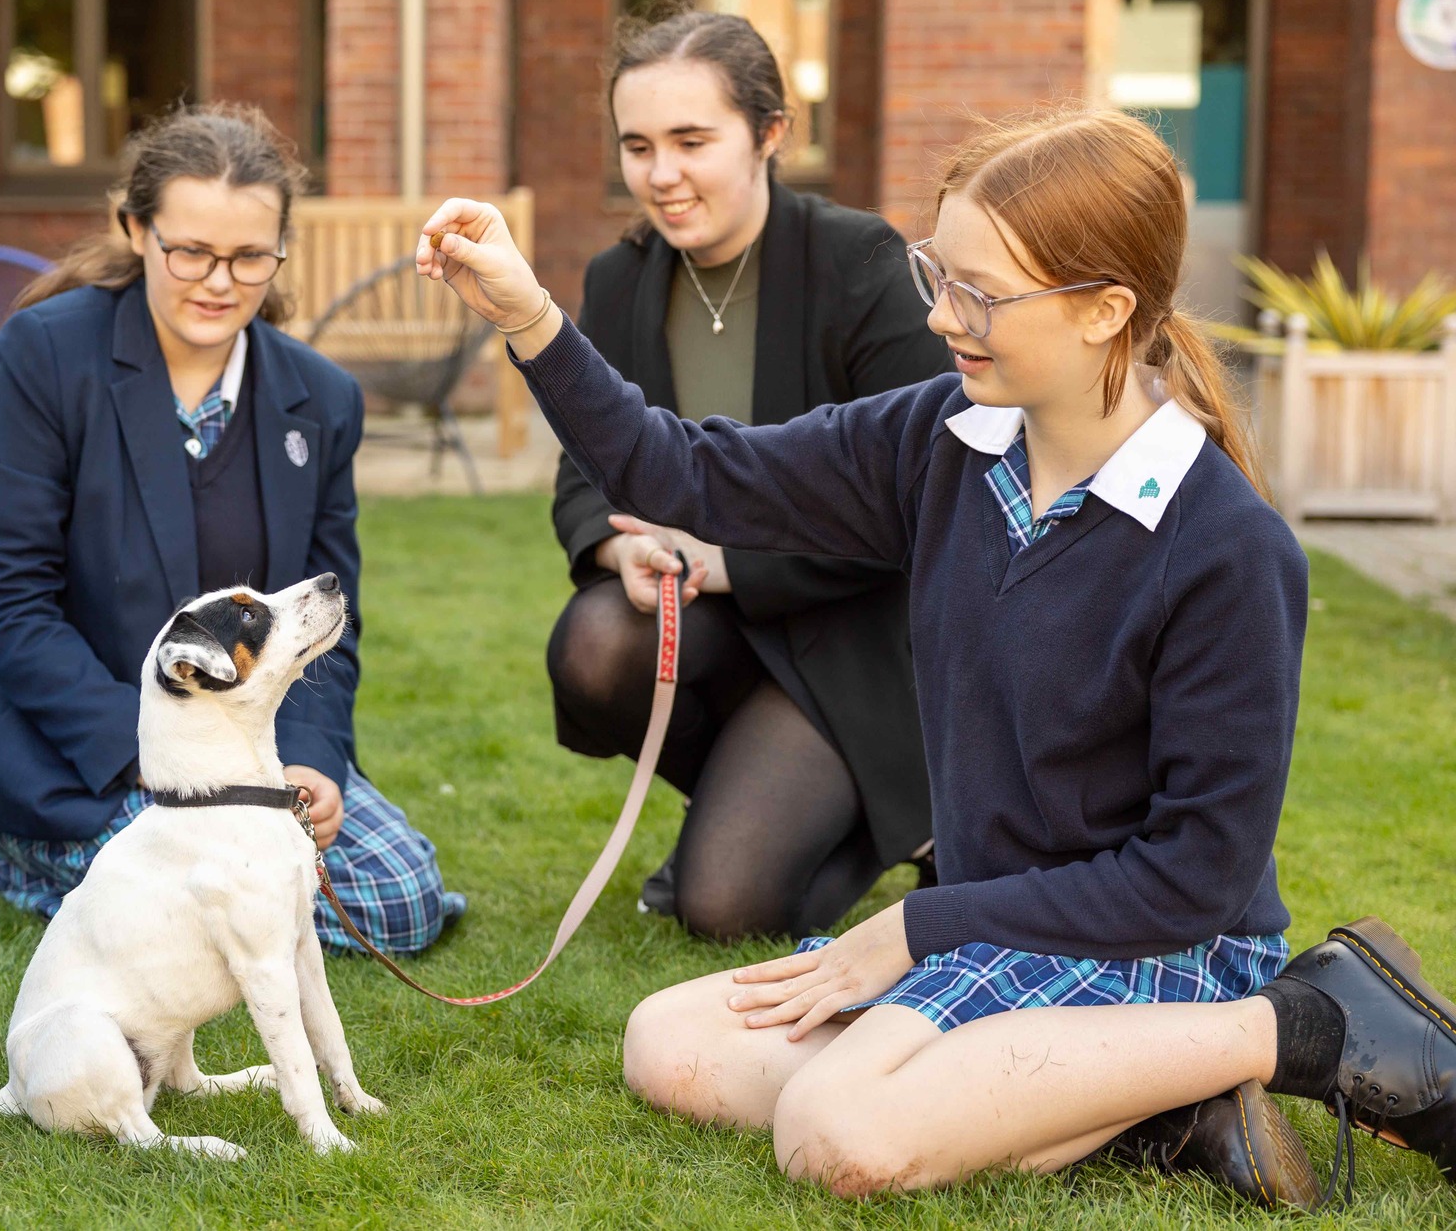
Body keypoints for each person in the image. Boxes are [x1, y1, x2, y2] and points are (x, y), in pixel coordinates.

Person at [416, 107, 1456, 1205]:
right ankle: (1153, 1108)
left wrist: (909, 931)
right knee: (666, 1043)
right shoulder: (938, 440)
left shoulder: (1226, 550)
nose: (941, 317)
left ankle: (1292, 1026)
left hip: (1162, 948)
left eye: (980, 294)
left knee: (837, 1133)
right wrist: (525, 314)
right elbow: (677, 473)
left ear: (1105, 310)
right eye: (937, 275)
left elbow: (1190, 876)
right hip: (995, 931)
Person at [0, 103, 464, 955]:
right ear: (138, 230)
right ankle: (53, 860)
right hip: (75, 751)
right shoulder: (41, 358)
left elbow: (326, 622)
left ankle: (161, 903)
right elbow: (7, 605)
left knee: (403, 899)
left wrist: (317, 762)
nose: (219, 281)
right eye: (191, 251)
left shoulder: (322, 401)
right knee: (206, 883)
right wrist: (161, 755)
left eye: (250, 256)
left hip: (246, 749)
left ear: (280, 250)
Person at [546, 4, 947, 940]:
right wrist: (618, 551)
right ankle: (754, 791)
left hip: (855, 639)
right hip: (720, 629)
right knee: (597, 646)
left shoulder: (860, 264)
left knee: (722, 906)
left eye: (692, 140)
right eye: (637, 145)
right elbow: (585, 469)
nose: (662, 174)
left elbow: (922, 494)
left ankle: (904, 811)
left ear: (771, 132)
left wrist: (730, 560)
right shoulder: (619, 280)